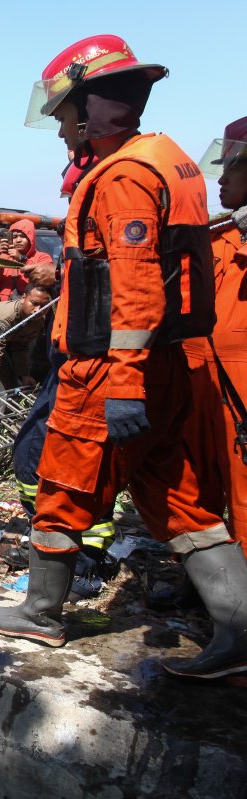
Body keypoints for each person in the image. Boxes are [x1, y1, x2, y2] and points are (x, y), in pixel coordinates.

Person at [0, 35, 243, 681]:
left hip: (113, 368)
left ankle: (41, 611)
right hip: (176, 364)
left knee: (63, 484)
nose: (62, 126)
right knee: (177, 496)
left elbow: (135, 284)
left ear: (93, 105)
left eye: (66, 111)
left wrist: (122, 380)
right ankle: (239, 631)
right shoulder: (170, 159)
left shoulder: (123, 174)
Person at [186, 116, 247, 558]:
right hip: (201, 383)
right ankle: (207, 580)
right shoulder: (221, 235)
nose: (221, 179)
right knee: (195, 482)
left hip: (239, 393)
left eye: (232, 167)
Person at [0, 220, 54, 300]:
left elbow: (44, 279)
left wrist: (21, 258)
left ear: (31, 238)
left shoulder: (43, 257)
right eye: (14, 237)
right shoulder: (3, 257)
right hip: (4, 305)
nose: (18, 240)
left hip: (30, 305)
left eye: (22, 236)